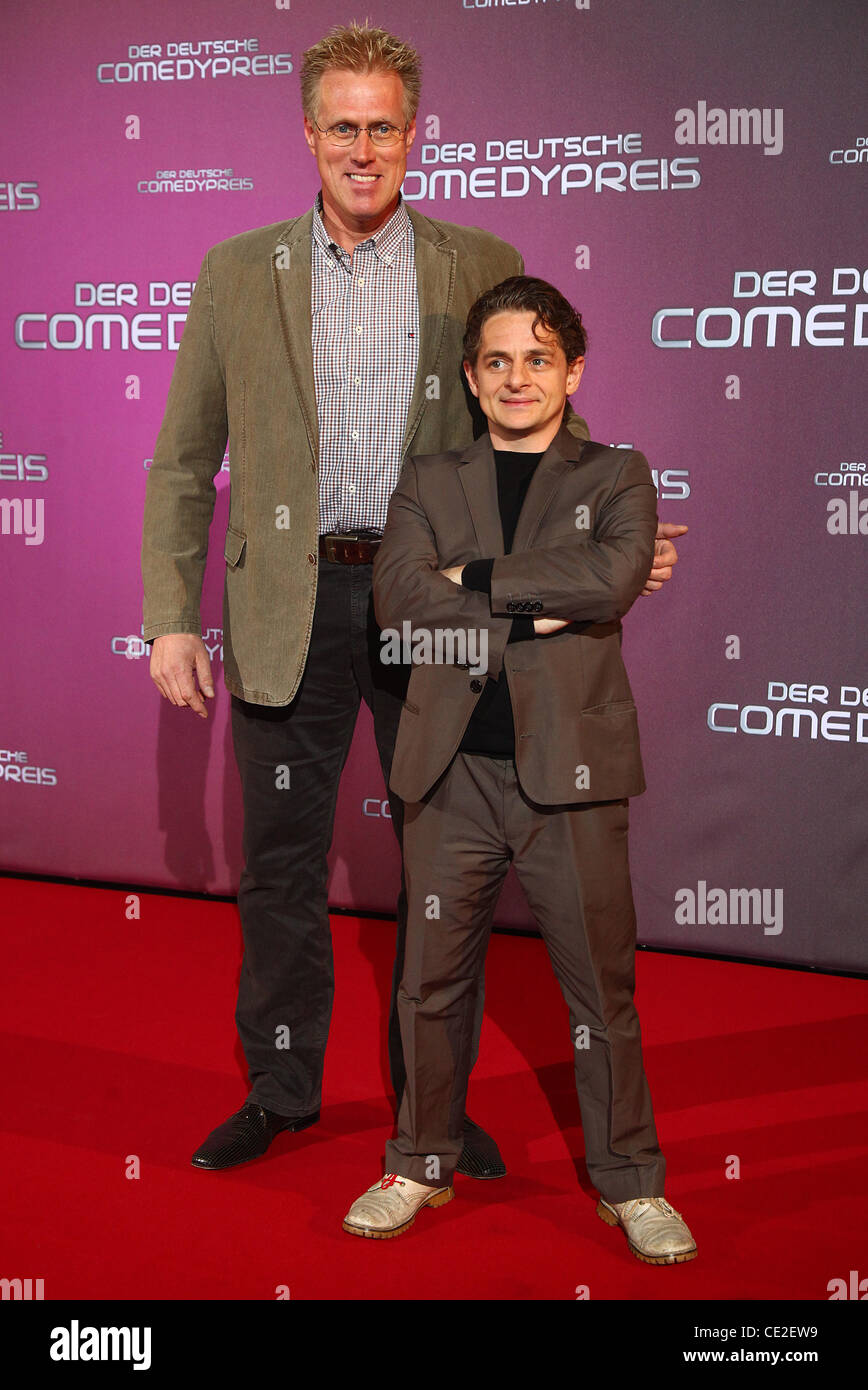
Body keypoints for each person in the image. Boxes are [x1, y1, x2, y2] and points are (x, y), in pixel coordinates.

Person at [141, 23, 685, 1181]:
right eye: (342, 125)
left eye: (383, 125)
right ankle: (282, 1093)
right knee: (282, 867)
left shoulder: (476, 257)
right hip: (288, 610)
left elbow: (533, 409)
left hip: (431, 608)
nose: (363, 146)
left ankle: (426, 1112)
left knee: (437, 868)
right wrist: (172, 616)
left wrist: (610, 525)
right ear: (307, 132)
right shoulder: (239, 270)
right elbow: (186, 459)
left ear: (413, 132)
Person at [344, 276, 696, 1266]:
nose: (516, 376)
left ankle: (630, 1180)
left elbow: (613, 576)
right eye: (495, 359)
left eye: (537, 357)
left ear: (571, 369)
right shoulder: (427, 478)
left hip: (570, 773)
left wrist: (474, 581)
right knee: (428, 981)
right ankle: (417, 1158)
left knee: (599, 988)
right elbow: (400, 607)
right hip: (449, 770)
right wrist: (539, 607)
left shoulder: (616, 472)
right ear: (470, 374)